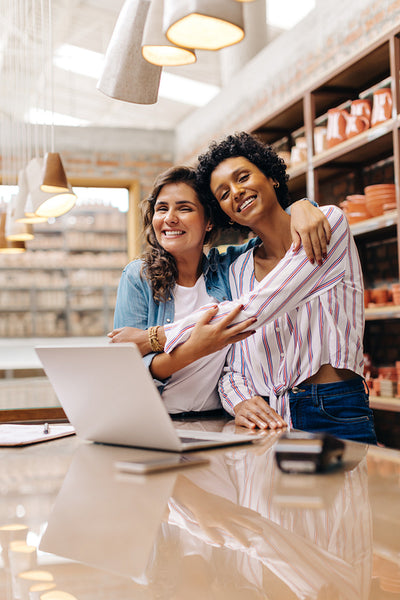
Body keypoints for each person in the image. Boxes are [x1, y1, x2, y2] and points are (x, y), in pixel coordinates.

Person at [161, 132, 377, 444]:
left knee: (354, 496)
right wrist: (239, 400)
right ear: (224, 211)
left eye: (243, 177)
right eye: (223, 193)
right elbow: (231, 365)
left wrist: (153, 337)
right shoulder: (238, 269)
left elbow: (255, 309)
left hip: (334, 409)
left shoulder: (328, 225)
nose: (236, 192)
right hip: (268, 420)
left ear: (271, 177)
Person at [110, 163, 329, 417]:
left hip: (219, 419)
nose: (169, 218)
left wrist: (304, 206)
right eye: (162, 209)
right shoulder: (138, 276)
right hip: (156, 419)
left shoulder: (229, 268)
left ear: (209, 221)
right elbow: (129, 368)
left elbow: (275, 229)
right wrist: (197, 347)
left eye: (184, 208)